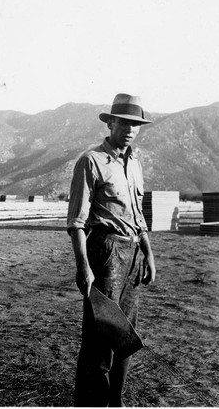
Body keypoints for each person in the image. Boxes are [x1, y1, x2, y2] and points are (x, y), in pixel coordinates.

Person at [67, 93, 156, 407]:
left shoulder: (135, 165)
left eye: (136, 124)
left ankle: (115, 403)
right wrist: (83, 266)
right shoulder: (91, 161)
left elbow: (138, 215)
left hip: (132, 255)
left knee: (125, 337)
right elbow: (76, 221)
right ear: (111, 123)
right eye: (125, 122)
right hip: (105, 252)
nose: (130, 129)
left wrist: (148, 252)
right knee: (99, 342)